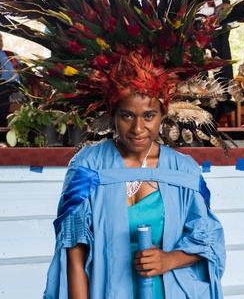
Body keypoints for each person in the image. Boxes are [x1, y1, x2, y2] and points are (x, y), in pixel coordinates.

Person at [44, 54, 226, 298]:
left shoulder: (183, 170)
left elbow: (210, 241)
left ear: (163, 114)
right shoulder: (89, 167)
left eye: (149, 116)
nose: (138, 129)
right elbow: (74, 254)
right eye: (127, 115)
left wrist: (169, 259)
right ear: (113, 115)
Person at [0, 30, 23, 127]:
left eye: (1, 36)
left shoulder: (12, 55)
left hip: (16, 89)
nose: (0, 39)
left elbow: (21, 76)